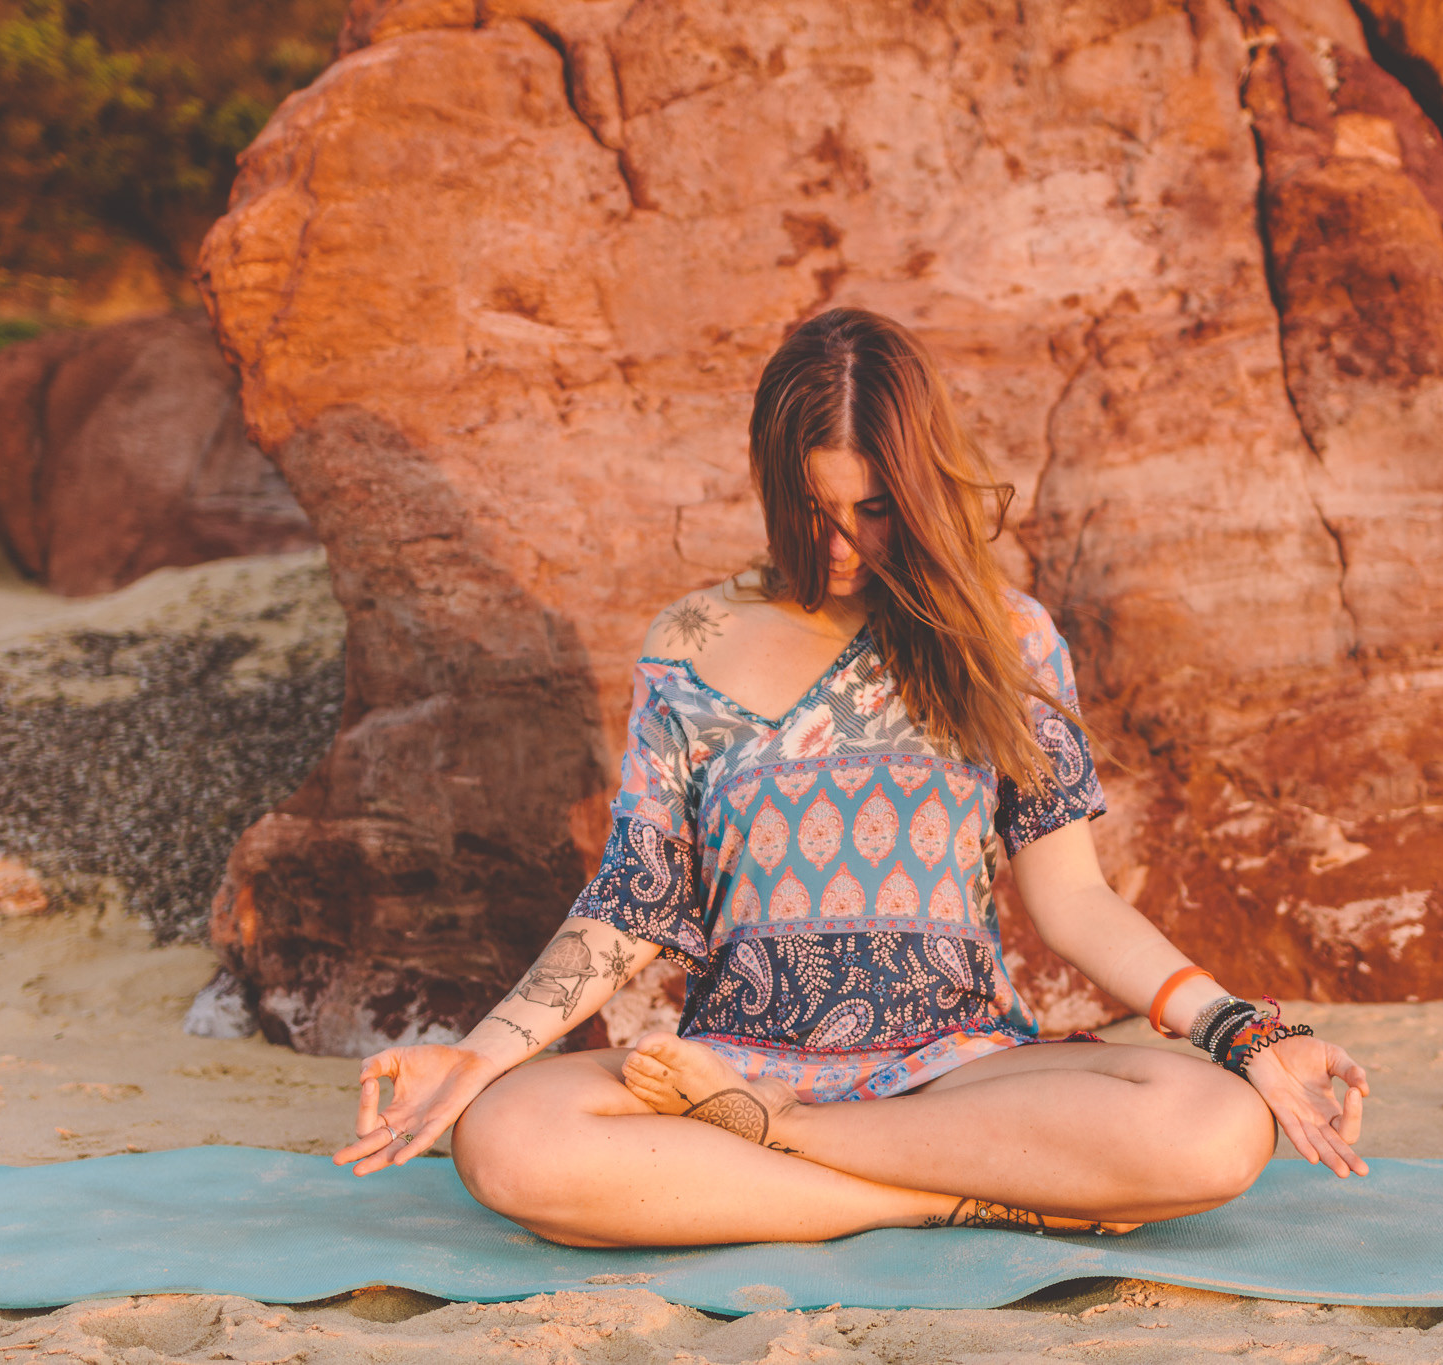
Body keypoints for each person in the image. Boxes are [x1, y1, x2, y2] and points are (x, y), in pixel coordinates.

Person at [331, 308, 1370, 1247]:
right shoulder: (691, 642)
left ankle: (784, 1153)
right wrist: (475, 1057)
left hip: (955, 1074)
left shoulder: (1003, 639)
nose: (837, 547)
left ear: (917, 489)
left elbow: (1075, 901)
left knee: (1215, 1129)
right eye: (811, 507)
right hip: (732, 1064)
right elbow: (632, 900)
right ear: (767, 478)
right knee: (509, 1139)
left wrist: (1243, 1032)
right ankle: (947, 1200)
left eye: (873, 509)